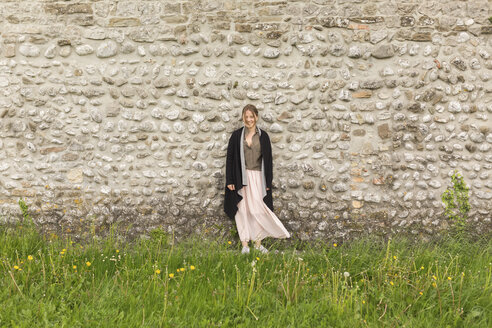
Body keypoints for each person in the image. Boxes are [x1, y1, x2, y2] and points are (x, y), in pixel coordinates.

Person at [224, 104, 290, 254]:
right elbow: (230, 159)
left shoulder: (263, 136)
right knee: (242, 210)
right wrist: (229, 181)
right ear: (243, 118)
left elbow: (268, 161)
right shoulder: (236, 136)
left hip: (257, 178)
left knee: (258, 210)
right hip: (241, 178)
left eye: (251, 116)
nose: (249, 119)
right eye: (246, 117)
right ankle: (245, 245)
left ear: (256, 117)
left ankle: (258, 243)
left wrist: (268, 182)